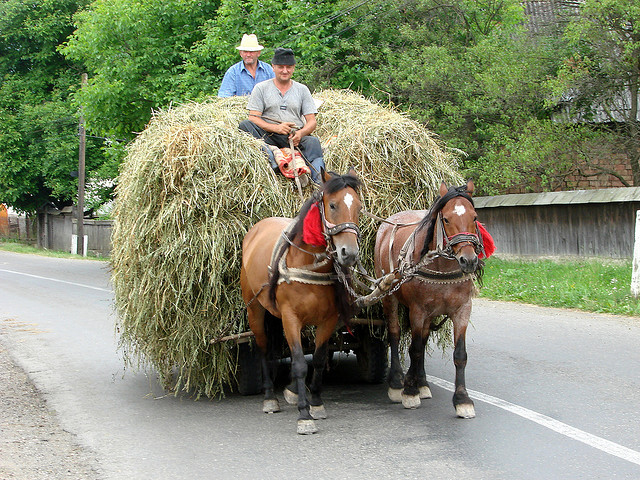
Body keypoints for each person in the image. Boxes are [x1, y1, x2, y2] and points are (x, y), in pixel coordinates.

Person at [239, 47, 325, 183]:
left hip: (293, 137)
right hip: (268, 136)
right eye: (281, 67)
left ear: (294, 68)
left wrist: (300, 134)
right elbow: (253, 117)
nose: (285, 71)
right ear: (273, 67)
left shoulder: (302, 90)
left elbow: (312, 121)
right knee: (245, 125)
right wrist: (276, 128)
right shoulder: (261, 88)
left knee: (314, 143)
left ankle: (319, 182)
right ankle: (272, 160)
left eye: (289, 67)